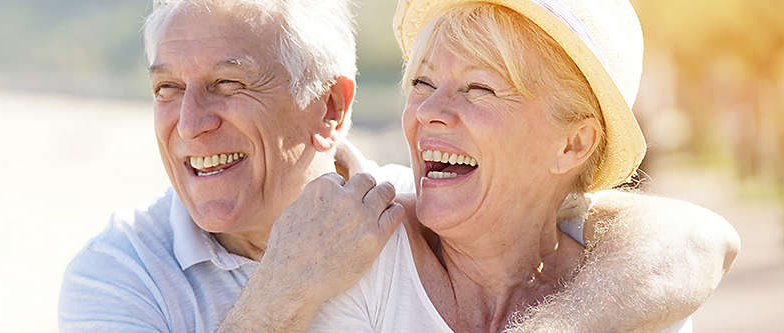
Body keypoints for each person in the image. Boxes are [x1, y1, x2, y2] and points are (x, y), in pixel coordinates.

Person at [59, 0, 741, 332]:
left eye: (230, 85)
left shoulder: (394, 215)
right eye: (165, 89)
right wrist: (282, 291)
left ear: (331, 107)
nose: (189, 121)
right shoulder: (118, 272)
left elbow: (693, 235)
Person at [308, 1, 737, 332]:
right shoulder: (361, 259)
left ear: (572, 145)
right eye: (423, 82)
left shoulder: (638, 301)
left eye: (479, 88)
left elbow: (704, 237)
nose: (429, 111)